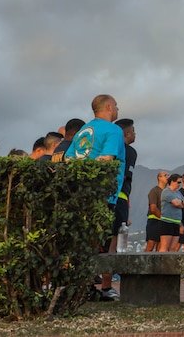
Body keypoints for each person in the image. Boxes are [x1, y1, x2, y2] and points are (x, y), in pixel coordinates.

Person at [64, 94, 126, 300]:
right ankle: (93, 288)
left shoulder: (84, 130)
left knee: (83, 242)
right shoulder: (113, 130)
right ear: (108, 107)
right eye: (116, 106)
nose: (117, 109)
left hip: (80, 195)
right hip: (104, 196)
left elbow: (68, 158)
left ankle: (82, 286)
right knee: (102, 243)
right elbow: (108, 160)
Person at [158, 173, 184, 252]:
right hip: (167, 222)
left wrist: (180, 203)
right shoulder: (166, 192)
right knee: (164, 247)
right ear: (172, 182)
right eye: (178, 182)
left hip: (176, 222)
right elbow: (176, 203)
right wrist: (181, 203)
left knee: (173, 248)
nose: (179, 184)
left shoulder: (178, 193)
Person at [145, 170, 168, 252]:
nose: (167, 177)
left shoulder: (168, 192)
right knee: (151, 244)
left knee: (161, 246)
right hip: (154, 221)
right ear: (159, 178)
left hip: (164, 222)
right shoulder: (154, 191)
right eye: (165, 175)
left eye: (168, 175)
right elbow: (153, 208)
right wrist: (163, 218)